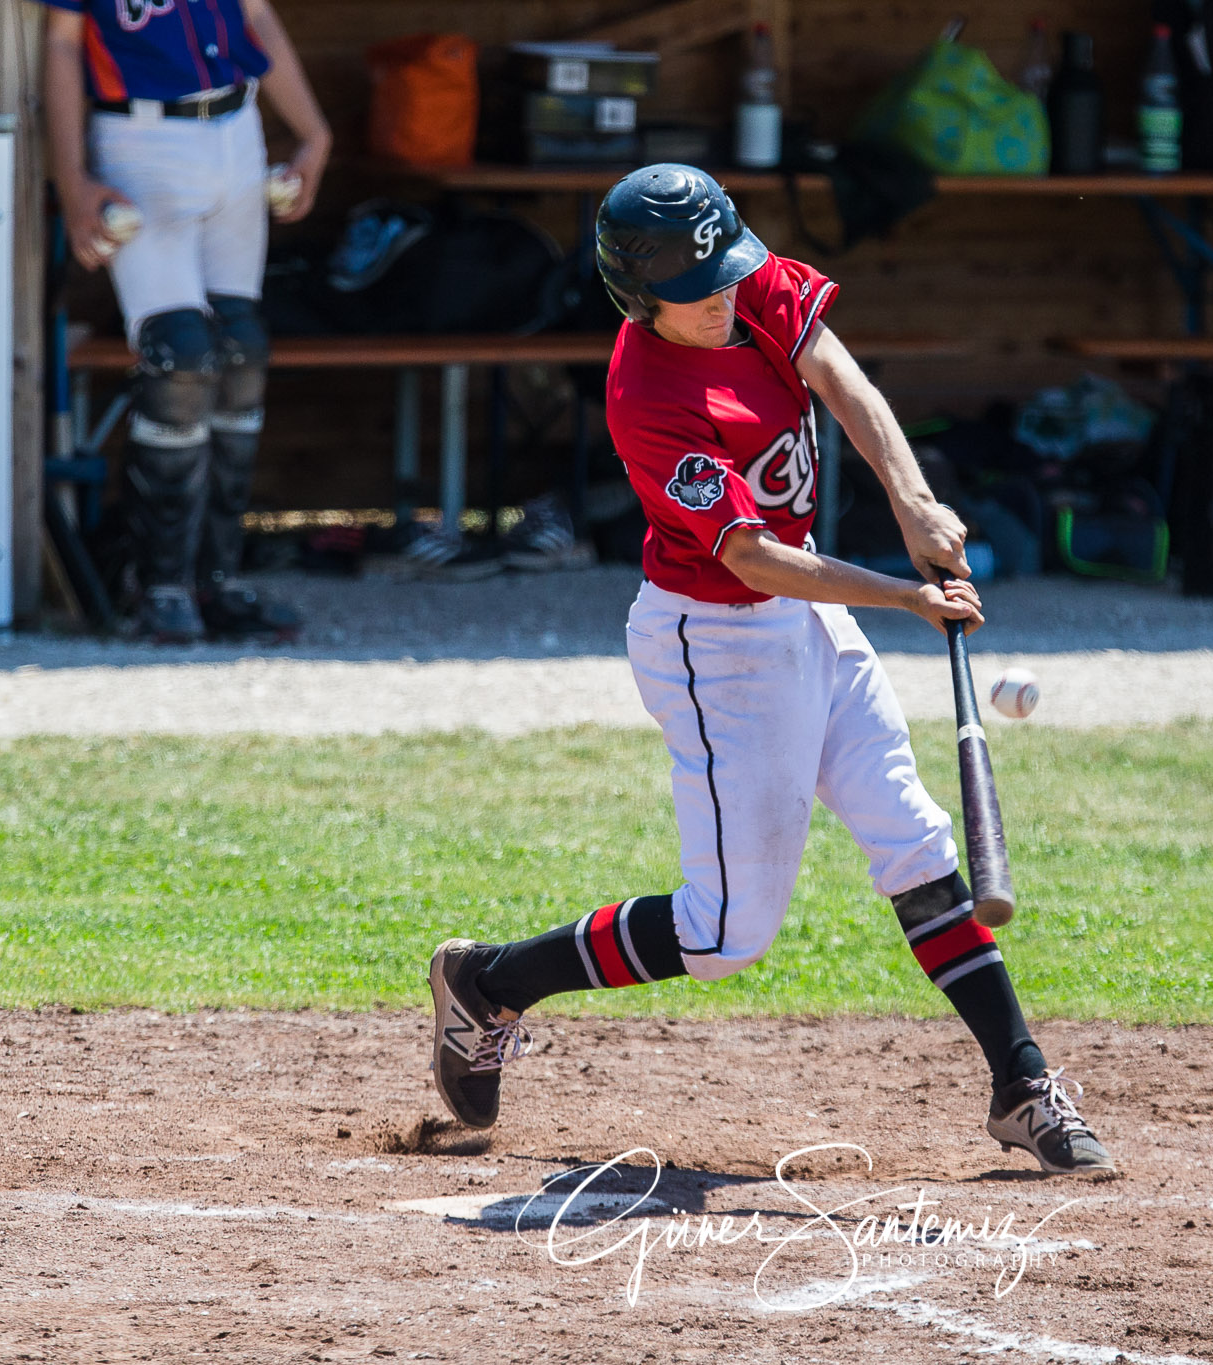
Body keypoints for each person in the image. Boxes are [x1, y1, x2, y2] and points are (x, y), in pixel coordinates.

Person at [426, 164, 1114, 1177]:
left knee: (910, 836)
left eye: (725, 272)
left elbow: (842, 380)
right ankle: (489, 982)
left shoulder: (749, 285)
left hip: (806, 622)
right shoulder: (645, 394)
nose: (722, 295)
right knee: (724, 935)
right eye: (696, 286)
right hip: (715, 648)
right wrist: (906, 596)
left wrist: (913, 503)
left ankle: (1020, 1084)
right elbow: (748, 557)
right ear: (637, 292)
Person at [40, 0, 330, 640]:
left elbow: (257, 15)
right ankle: (160, 587)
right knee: (181, 354)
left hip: (236, 127)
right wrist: (72, 179)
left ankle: (217, 581)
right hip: (143, 139)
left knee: (240, 349)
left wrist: (313, 132)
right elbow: (61, 44)